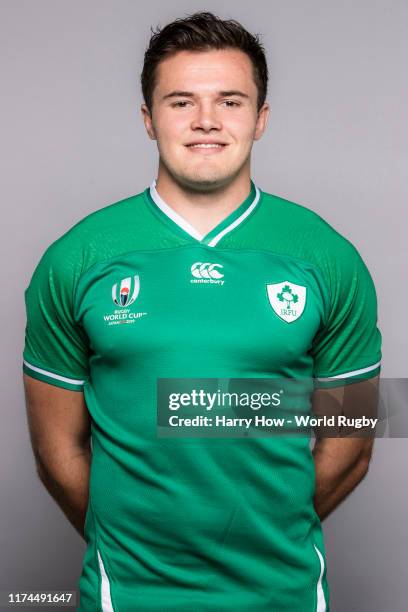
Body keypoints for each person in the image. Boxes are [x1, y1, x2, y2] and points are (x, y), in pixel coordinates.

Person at [22, 11, 382, 612]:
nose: (207, 121)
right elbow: (56, 450)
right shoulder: (77, 258)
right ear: (148, 119)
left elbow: (354, 440)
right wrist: (135, 541)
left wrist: (268, 525)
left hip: (284, 593)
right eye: (181, 101)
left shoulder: (329, 256)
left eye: (231, 101)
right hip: (126, 595)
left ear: (261, 119)